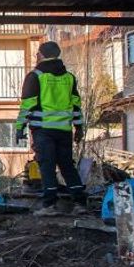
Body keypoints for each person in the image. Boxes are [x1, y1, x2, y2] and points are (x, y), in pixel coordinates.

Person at [15, 40, 88, 215]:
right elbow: (76, 105)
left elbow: (27, 105)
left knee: (46, 166)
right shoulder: (69, 78)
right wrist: (79, 128)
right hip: (64, 130)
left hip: (43, 130)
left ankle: (49, 205)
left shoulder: (35, 76)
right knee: (66, 166)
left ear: (41, 55)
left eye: (37, 54)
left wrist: (20, 127)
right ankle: (80, 203)